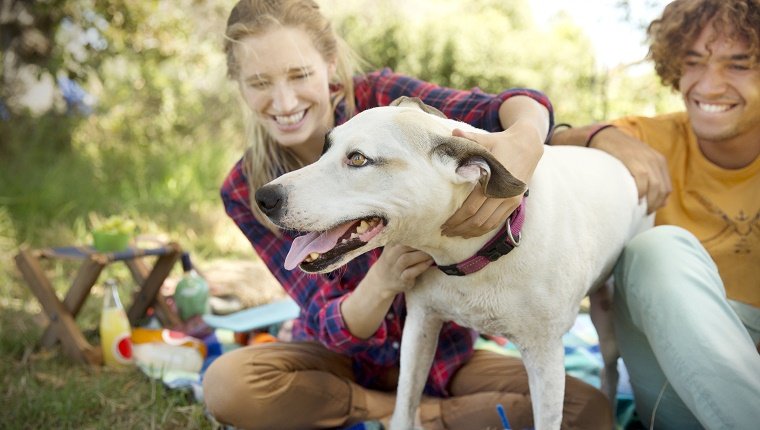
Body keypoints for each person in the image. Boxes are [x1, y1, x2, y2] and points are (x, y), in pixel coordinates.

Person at [202, 1, 614, 429]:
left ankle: (412, 413)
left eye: (300, 74)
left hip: (445, 364)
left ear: (329, 65)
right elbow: (323, 320)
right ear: (240, 87)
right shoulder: (248, 189)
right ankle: (396, 412)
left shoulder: (386, 108)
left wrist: (525, 143)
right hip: (337, 366)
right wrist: (383, 280)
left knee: (586, 412)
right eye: (259, 82)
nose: (284, 100)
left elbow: (514, 105)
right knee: (228, 384)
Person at [551, 0, 760, 428]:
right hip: (672, 373)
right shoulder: (650, 137)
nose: (710, 85)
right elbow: (546, 150)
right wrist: (598, 134)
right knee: (655, 248)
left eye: (738, 65)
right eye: (693, 61)